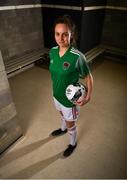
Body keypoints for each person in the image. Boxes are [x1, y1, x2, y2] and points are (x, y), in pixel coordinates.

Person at [49, 15, 93, 157]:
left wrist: (88, 96)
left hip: (69, 100)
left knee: (70, 124)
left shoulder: (77, 56)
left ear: (71, 35)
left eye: (65, 34)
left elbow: (88, 77)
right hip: (56, 94)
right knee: (61, 115)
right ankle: (62, 129)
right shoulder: (53, 51)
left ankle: (72, 143)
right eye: (57, 34)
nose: (60, 38)